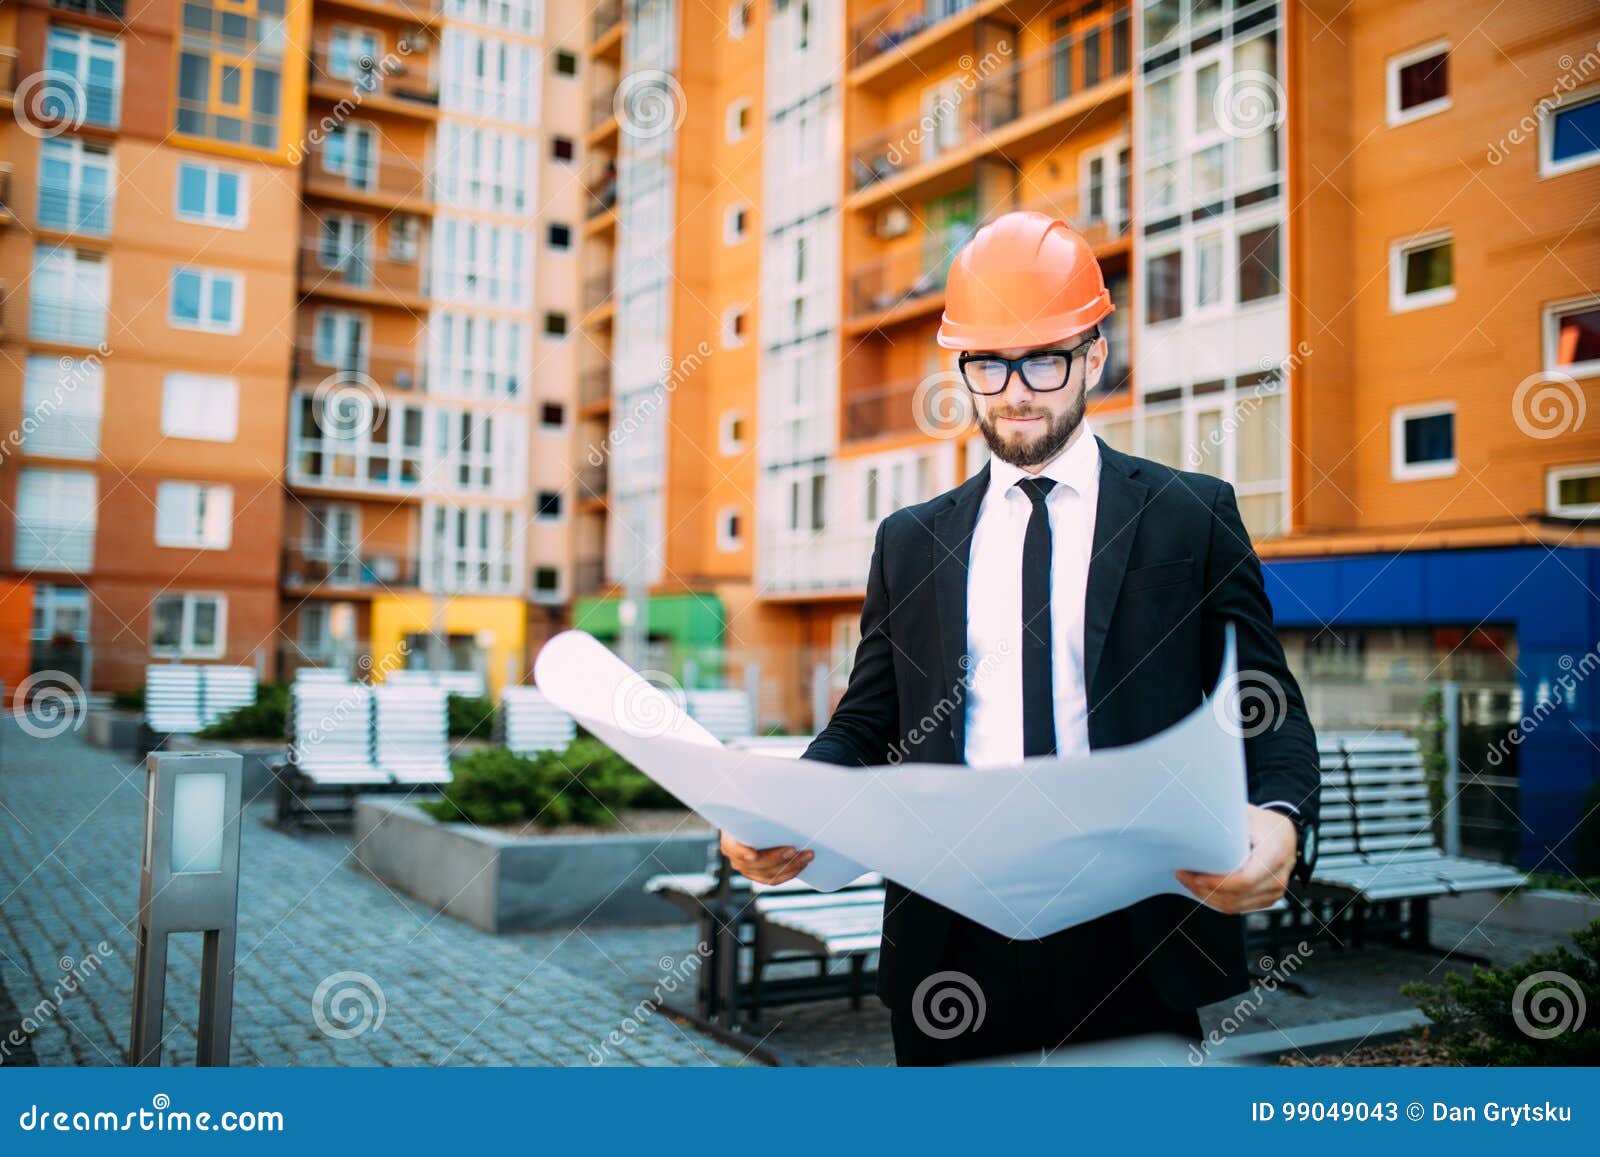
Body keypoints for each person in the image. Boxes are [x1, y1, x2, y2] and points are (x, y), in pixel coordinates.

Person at [721, 211, 1320, 1066]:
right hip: (952, 943)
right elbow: (868, 721)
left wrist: (1281, 815)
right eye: (988, 363)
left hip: (1135, 932)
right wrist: (794, 806)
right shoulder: (911, 540)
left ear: (1094, 358)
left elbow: (1268, 707)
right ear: (962, 368)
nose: (1015, 389)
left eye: (1044, 357)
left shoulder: (1191, 514)